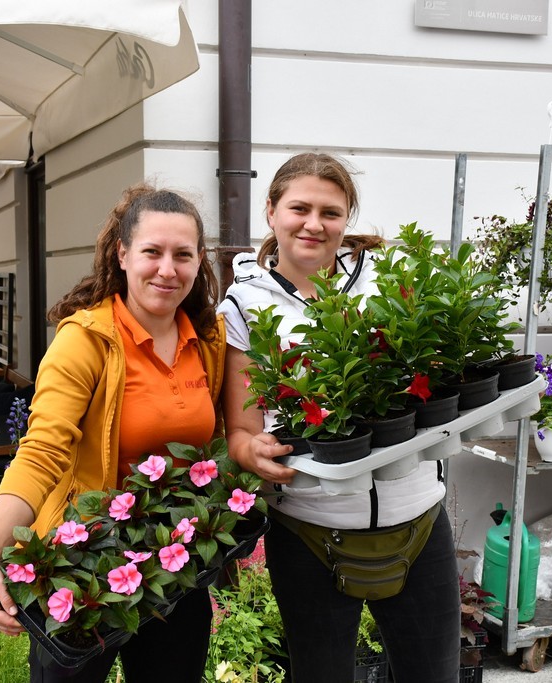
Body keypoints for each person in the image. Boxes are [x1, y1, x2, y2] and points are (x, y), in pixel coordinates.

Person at [0, 185, 225, 683]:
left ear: (199, 262)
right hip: (81, 562)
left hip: (174, 560)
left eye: (183, 255)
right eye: (152, 251)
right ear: (123, 254)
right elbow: (41, 452)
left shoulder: (207, 339)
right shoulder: (85, 340)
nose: (167, 269)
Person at [219, 153, 461, 682]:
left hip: (418, 517)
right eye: (299, 208)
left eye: (330, 212)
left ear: (347, 218)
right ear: (271, 212)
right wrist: (249, 451)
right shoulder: (243, 305)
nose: (314, 224)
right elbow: (240, 427)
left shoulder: (390, 280)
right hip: (310, 528)